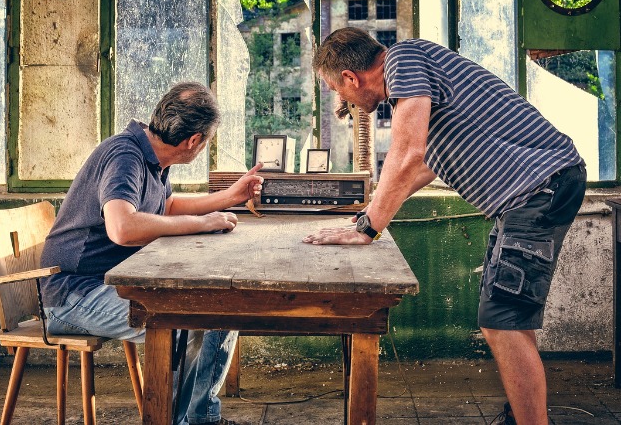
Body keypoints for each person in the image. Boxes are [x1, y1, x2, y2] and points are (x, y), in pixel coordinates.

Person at [303, 27, 586, 425]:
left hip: (540, 188)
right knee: (509, 317)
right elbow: (420, 166)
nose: (340, 99)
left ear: (351, 77)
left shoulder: (402, 60)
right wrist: (369, 213)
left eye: (336, 89)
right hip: (531, 193)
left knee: (500, 320)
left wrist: (368, 228)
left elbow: (407, 152)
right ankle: (522, 414)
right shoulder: (419, 81)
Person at [39, 81, 263, 425]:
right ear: (194, 141)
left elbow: (166, 206)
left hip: (107, 286)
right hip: (73, 296)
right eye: (208, 141)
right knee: (185, 323)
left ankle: (198, 417)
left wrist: (228, 198)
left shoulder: (154, 156)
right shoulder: (124, 156)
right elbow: (123, 228)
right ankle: (180, 420)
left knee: (220, 311)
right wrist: (202, 224)